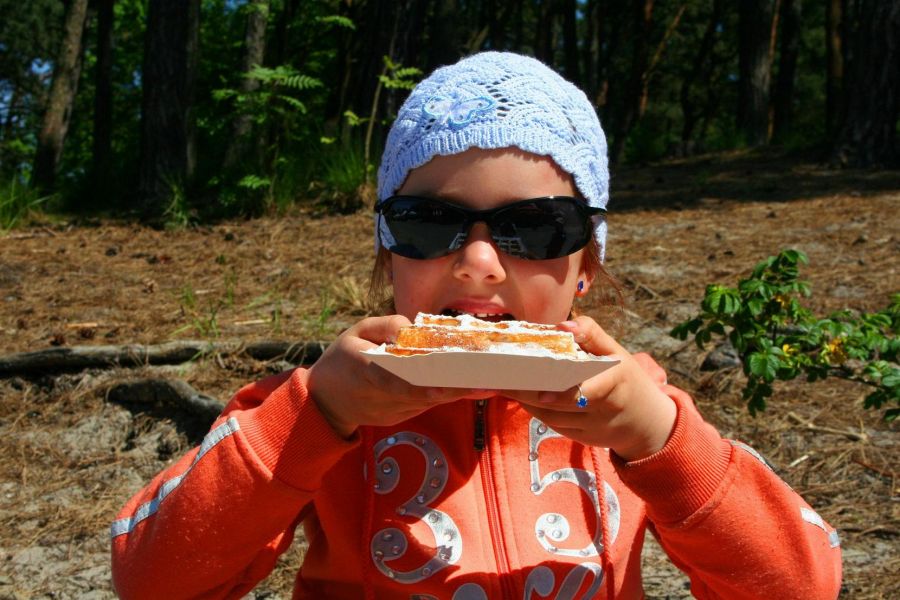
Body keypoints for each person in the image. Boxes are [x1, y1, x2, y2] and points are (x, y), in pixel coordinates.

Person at [110, 52, 842, 599]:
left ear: (586, 265)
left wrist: (662, 442)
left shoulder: (636, 406)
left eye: (537, 226)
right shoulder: (318, 407)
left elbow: (801, 585)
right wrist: (313, 417)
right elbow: (151, 580)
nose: (480, 264)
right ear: (388, 254)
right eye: (430, 223)